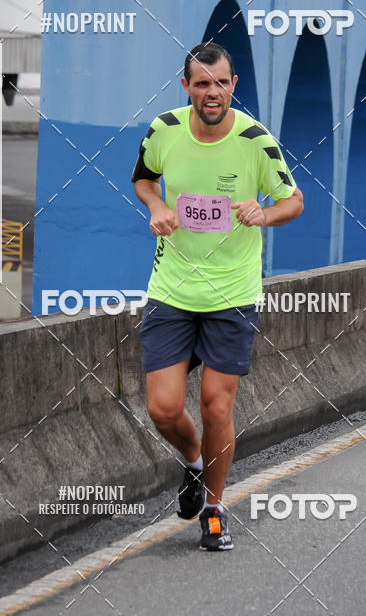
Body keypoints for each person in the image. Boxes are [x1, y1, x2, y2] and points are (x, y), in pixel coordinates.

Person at [131, 42, 303, 551]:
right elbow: (142, 179)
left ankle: (213, 507)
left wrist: (264, 214)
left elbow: (294, 200)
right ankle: (193, 463)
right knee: (162, 409)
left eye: (221, 82)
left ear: (233, 85)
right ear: (186, 87)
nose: (212, 92)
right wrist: (156, 204)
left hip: (233, 293)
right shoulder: (164, 130)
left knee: (214, 406)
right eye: (202, 83)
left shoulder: (255, 140)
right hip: (172, 289)